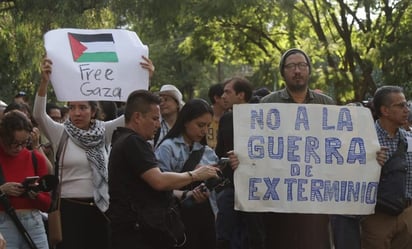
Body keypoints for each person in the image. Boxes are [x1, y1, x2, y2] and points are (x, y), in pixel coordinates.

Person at [107, 90, 230, 249]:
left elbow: (153, 189)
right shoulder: (133, 142)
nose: (158, 124)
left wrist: (188, 193)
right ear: (137, 117)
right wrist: (194, 175)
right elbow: (159, 181)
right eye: (155, 119)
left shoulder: (126, 140)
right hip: (135, 230)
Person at [32, 58, 127, 249]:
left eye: (83, 107)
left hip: (101, 211)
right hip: (69, 211)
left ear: (93, 111)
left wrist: (143, 81)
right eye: (72, 107)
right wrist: (44, 81)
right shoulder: (61, 133)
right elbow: (38, 115)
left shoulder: (105, 131)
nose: (77, 113)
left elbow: (132, 115)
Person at [260, 48, 334, 249]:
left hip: (315, 197)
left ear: (309, 70)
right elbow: (258, 145)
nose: (297, 71)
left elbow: (339, 146)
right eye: (291, 66)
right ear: (283, 72)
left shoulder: (327, 103)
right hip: (280, 196)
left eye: (302, 65)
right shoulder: (267, 104)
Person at [156, 98, 230, 249]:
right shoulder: (167, 148)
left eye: (207, 126)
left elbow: (217, 187)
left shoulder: (207, 152)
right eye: (200, 125)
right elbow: (159, 185)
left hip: (206, 218)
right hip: (177, 217)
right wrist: (188, 187)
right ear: (185, 121)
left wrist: (224, 169)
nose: (204, 131)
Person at [215, 76, 265, 249]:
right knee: (226, 236)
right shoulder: (226, 119)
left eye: (228, 92)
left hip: (256, 188)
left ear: (241, 95)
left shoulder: (260, 117)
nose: (223, 96)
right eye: (223, 92)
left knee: (254, 235)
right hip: (231, 188)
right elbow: (219, 152)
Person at [360, 85, 412, 249]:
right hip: (377, 216)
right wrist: (367, 161)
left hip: (407, 215)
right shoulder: (364, 140)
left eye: (406, 105)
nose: (406, 110)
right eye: (400, 105)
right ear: (385, 110)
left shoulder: (409, 139)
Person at [0, 110, 51, 249]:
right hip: (4, 223)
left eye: (24, 142)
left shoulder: (35, 158)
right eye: (14, 143)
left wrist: (35, 194)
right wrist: (2, 190)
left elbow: (47, 204)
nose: (19, 148)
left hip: (34, 222)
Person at [206, 83, 225, 150]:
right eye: (225, 95)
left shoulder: (231, 118)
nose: (227, 98)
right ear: (216, 98)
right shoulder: (203, 118)